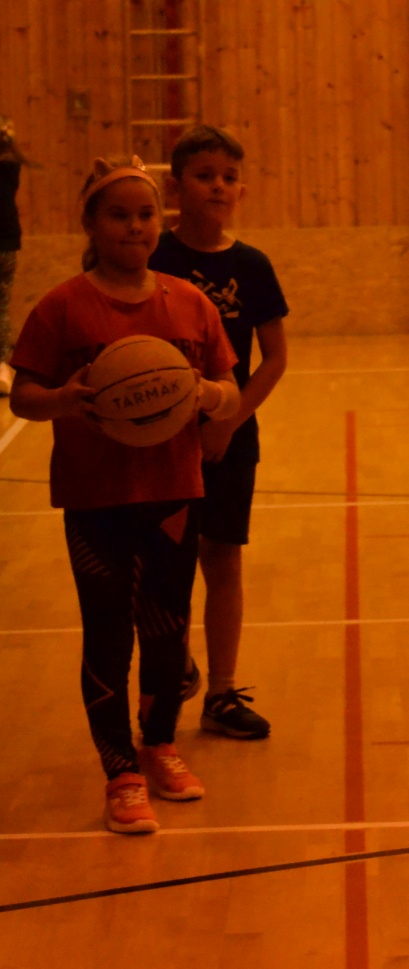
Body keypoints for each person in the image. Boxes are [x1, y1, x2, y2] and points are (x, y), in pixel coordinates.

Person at [7, 157, 239, 834]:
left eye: (145, 215)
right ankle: (120, 774)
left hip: (173, 492)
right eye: (119, 215)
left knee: (167, 630)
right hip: (95, 497)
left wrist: (206, 394)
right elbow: (23, 396)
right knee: (107, 634)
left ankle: (159, 745)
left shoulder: (190, 303)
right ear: (91, 224)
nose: (134, 227)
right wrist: (64, 399)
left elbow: (228, 391)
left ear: (159, 222)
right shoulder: (62, 307)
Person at [142, 125, 288, 740]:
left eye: (229, 178)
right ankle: (173, 667)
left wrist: (230, 419)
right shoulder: (154, 257)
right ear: (177, 187)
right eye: (205, 176)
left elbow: (275, 358)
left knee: (222, 559)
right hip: (158, 440)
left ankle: (222, 692)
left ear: (242, 190)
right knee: (156, 565)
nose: (219, 187)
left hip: (230, 435)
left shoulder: (250, 266)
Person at [0, 114, 27, 396]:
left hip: (5, 241)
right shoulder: (12, 166)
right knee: (1, 307)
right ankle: (1, 367)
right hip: (8, 244)